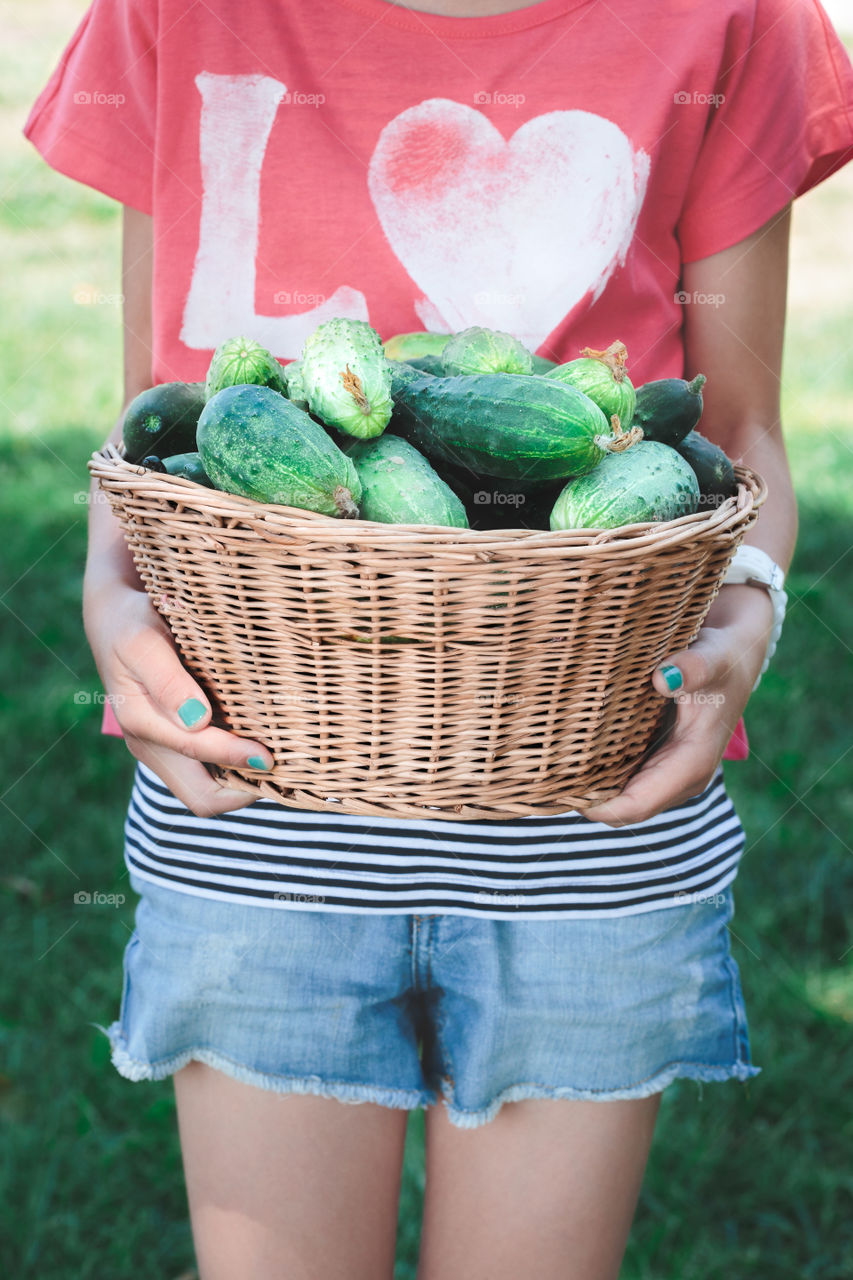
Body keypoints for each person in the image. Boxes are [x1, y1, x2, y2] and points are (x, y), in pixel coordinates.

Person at [25, 0, 853, 1276]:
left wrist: (748, 607)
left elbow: (739, 438)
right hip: (255, 793)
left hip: (590, 805)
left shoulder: (731, 16)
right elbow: (154, 422)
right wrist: (109, 599)